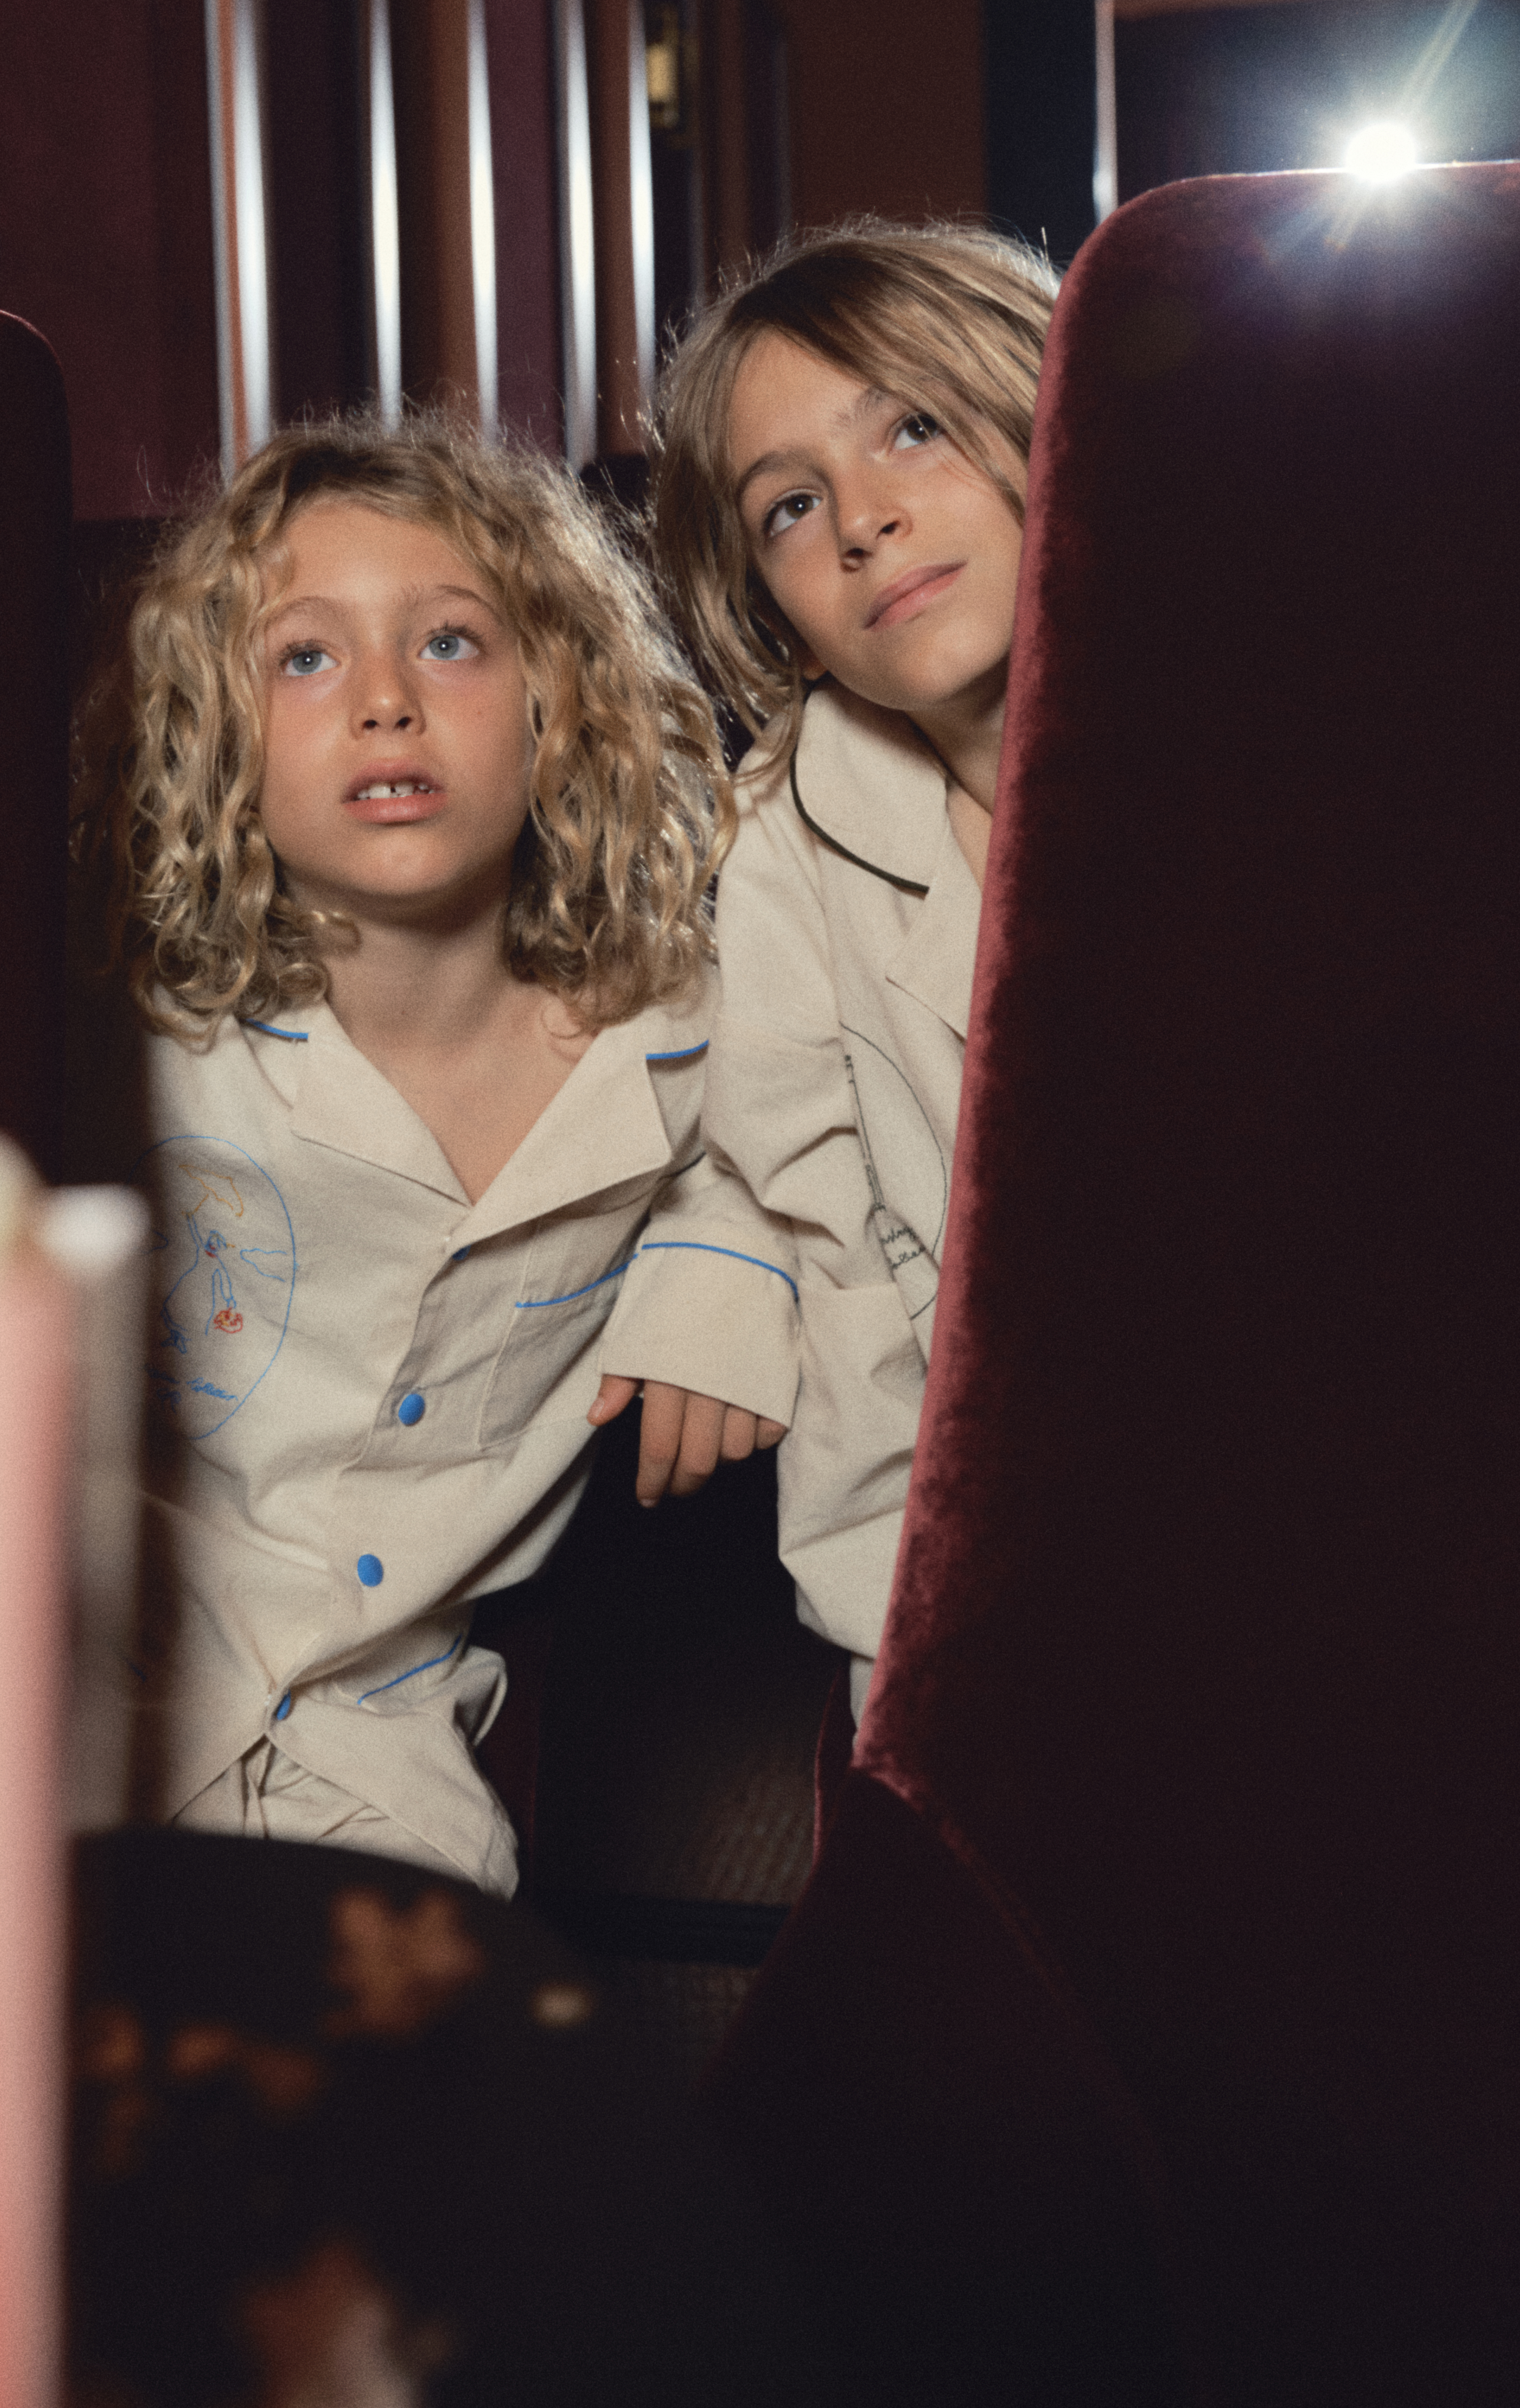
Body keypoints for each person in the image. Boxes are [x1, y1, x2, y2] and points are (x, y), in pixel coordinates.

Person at [84, 418, 796, 1895]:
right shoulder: (138, 1029)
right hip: (76, 1691)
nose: (387, 704)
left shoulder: (674, 1032)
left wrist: (723, 1252)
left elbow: (847, 1110)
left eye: (452, 644)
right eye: (305, 658)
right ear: (217, 733)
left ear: (558, 702)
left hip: (377, 1754)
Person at [650, 218, 1057, 1710]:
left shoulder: (1285, 723)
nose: (864, 519)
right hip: (990, 1606)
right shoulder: (782, 848)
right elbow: (788, 1183)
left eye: (913, 427)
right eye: (788, 506)